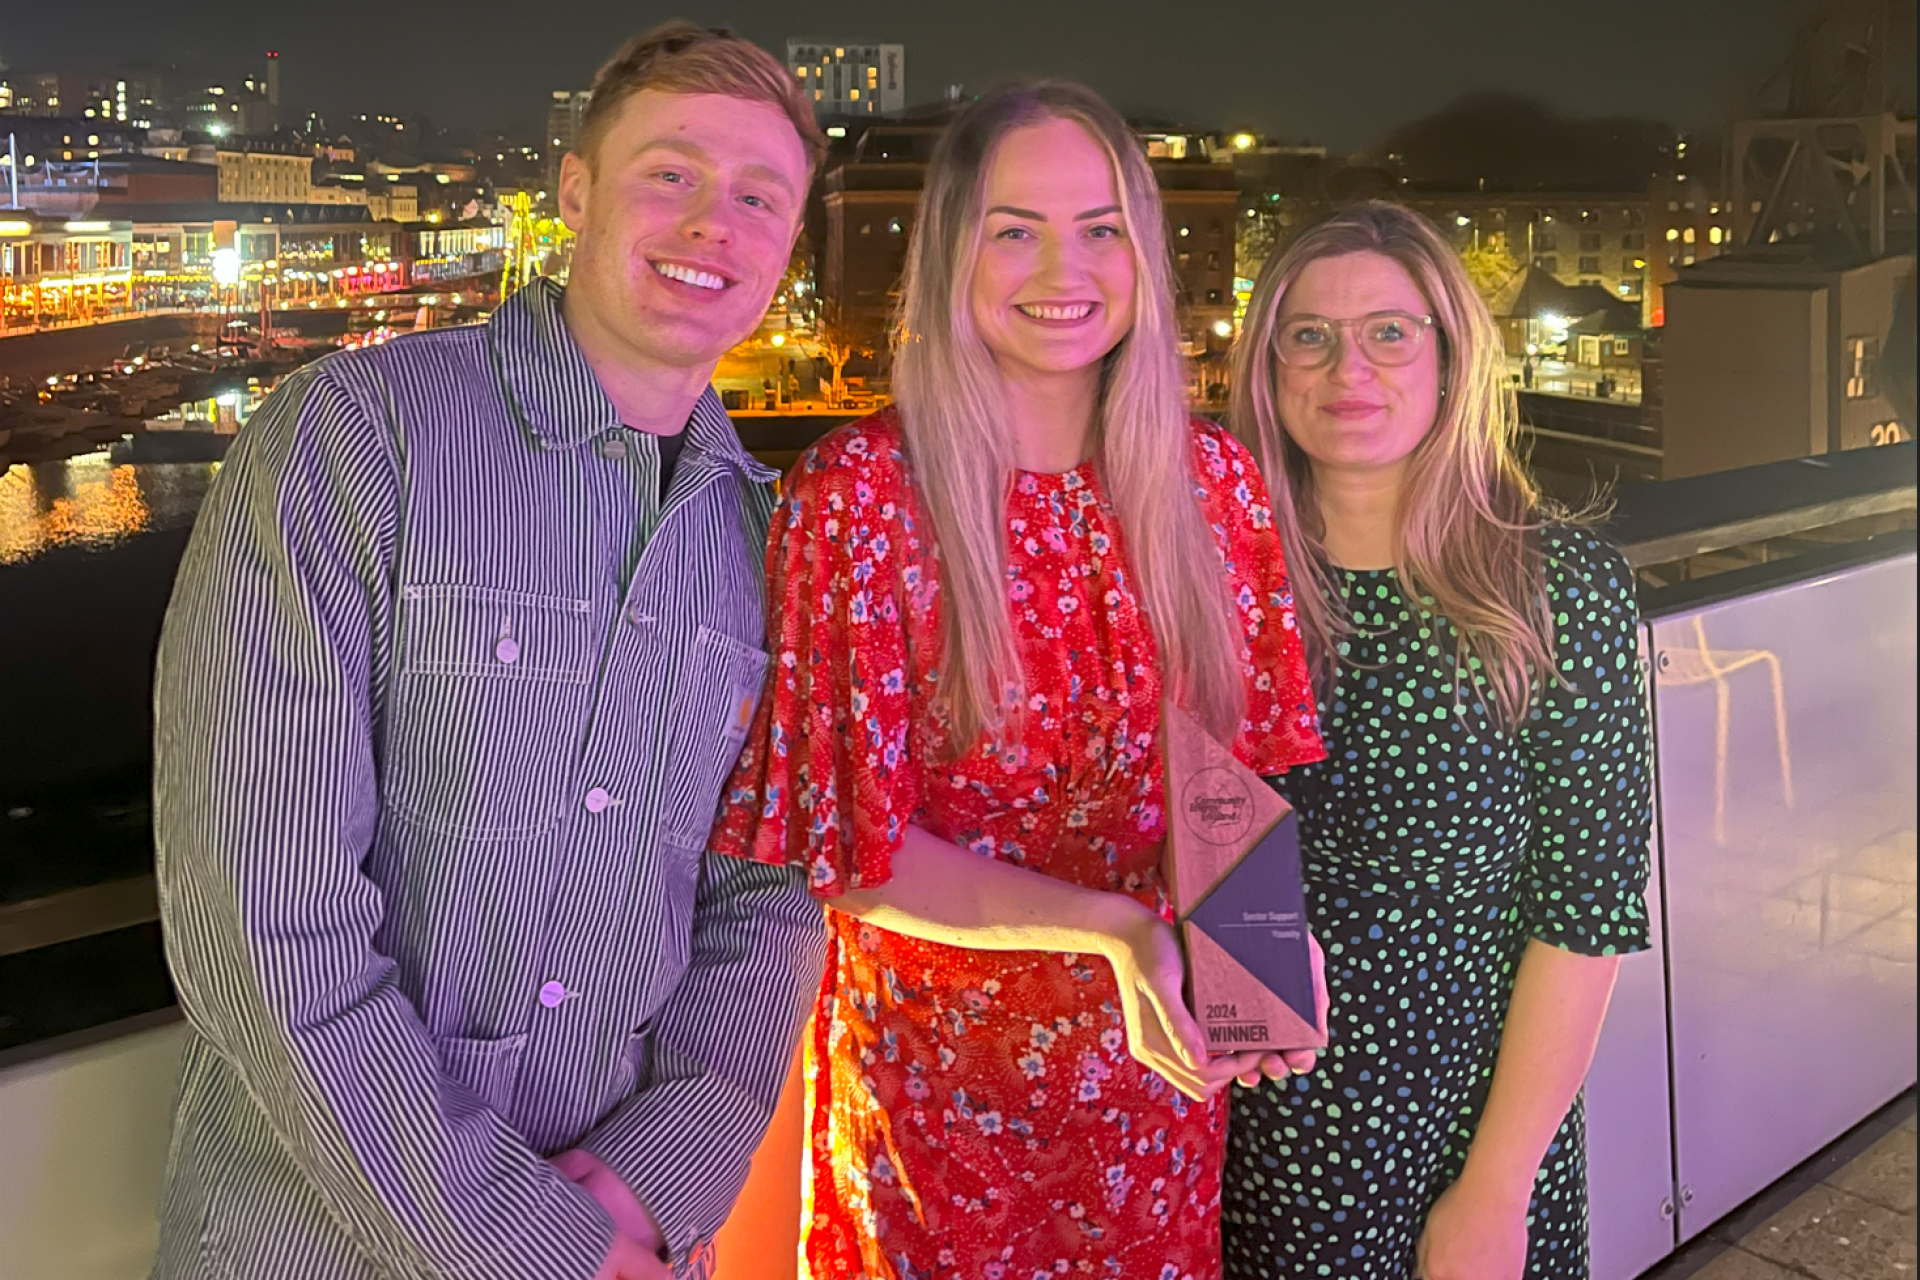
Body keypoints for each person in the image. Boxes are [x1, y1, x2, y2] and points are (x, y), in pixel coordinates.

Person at [149, 24, 828, 1280]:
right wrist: (525, 1239)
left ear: (788, 243)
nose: (711, 223)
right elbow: (256, 909)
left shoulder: (767, 541)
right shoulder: (355, 437)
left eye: (758, 197)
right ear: (575, 191)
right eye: (670, 173)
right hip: (313, 1245)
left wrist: (649, 1187)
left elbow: (766, 899)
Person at [708, 82, 1325, 1280]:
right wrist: (1115, 930)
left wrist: (1263, 948)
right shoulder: (858, 496)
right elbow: (853, 850)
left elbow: (1231, 783)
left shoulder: (1213, 485)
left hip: (1157, 1086)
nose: (1064, 268)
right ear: (953, 250)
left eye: (1100, 228)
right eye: (1015, 229)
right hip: (935, 1112)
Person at [1220, 201, 1653, 1280]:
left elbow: (1585, 914)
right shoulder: (1215, 577)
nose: (1347, 368)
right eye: (1309, 335)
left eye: (1389, 331)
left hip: (1464, 1130)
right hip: (1245, 1129)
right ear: (1268, 365)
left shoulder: (1554, 589)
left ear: (1452, 356)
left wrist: (1497, 1187)